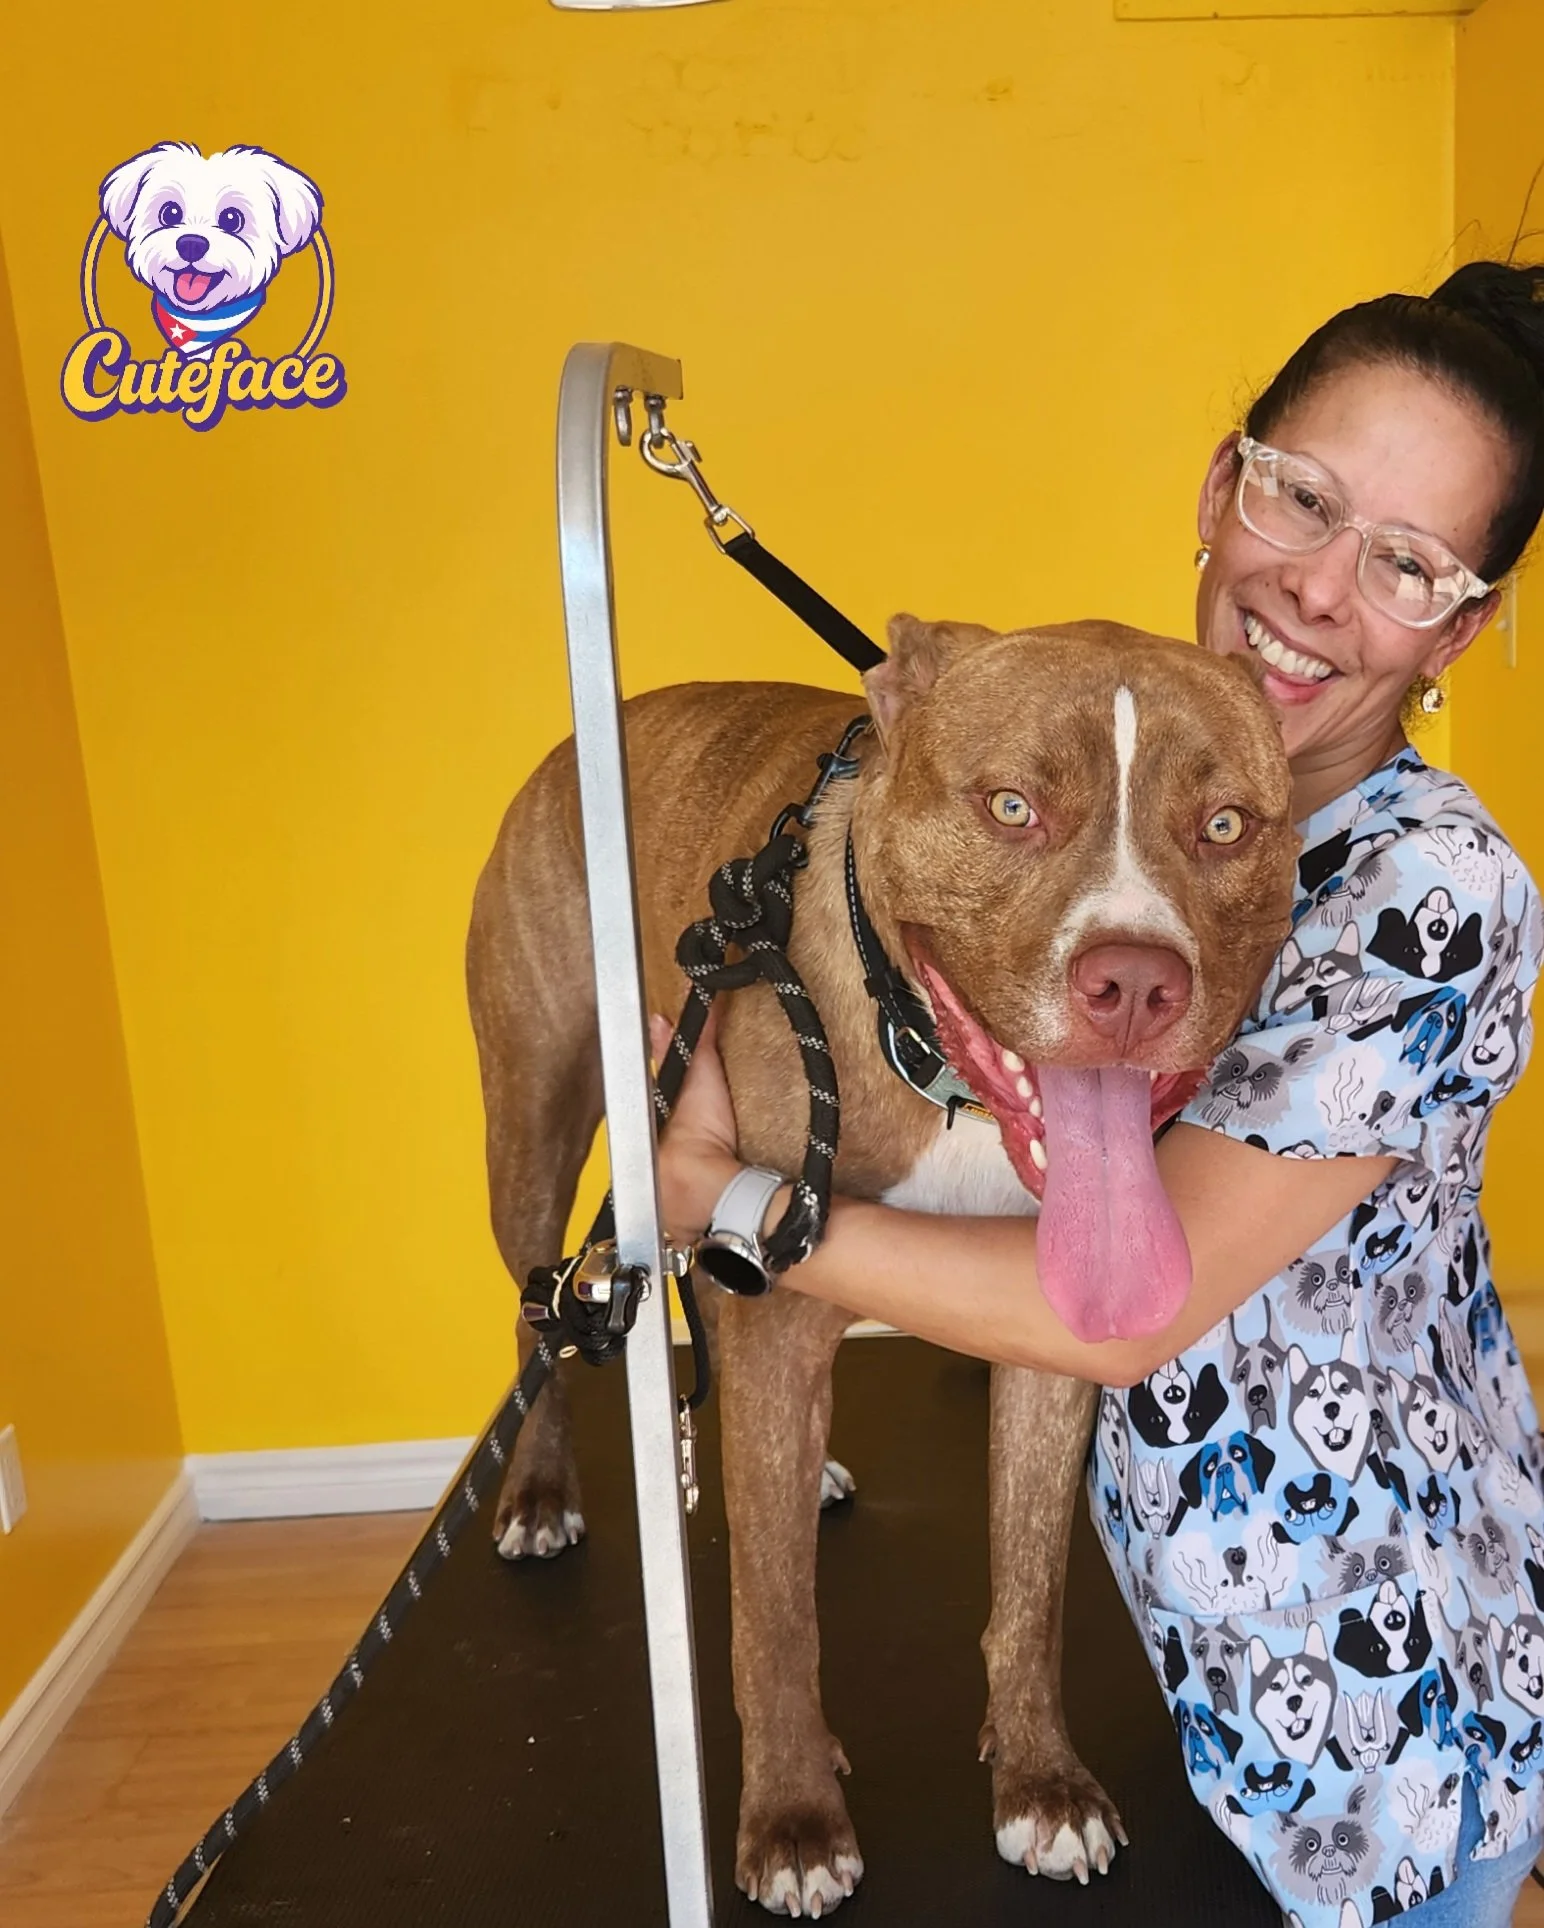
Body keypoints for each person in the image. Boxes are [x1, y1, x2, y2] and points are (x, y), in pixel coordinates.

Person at [649, 262, 1544, 1927]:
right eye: (1306, 502)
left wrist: (723, 1205)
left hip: (1389, 1722)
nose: (1326, 592)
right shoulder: (1146, 746)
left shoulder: (1435, 888)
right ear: (1222, 489)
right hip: (1200, 1674)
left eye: (1410, 564)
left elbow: (1115, 1316)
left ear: (1460, 628)